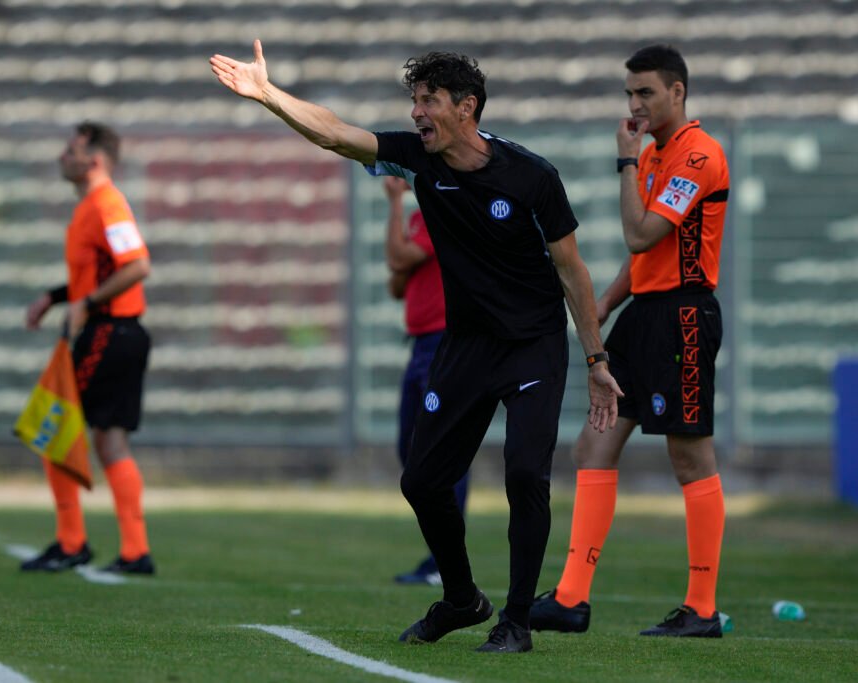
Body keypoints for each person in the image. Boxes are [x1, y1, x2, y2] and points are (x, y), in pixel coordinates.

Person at [211, 42, 621, 653]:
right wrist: (269, 94)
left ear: (467, 108)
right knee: (423, 481)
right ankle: (462, 599)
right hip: (466, 347)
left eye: (428, 101)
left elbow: (573, 273)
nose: (416, 114)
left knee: (525, 475)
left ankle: (514, 621)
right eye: (414, 101)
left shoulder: (533, 177)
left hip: (533, 347)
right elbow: (334, 135)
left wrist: (595, 361)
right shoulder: (418, 162)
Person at [529, 44, 730, 638]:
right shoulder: (656, 157)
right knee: (591, 447)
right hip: (644, 316)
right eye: (630, 94)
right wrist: (600, 308)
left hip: (684, 319)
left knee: (689, 456)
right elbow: (643, 261)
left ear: (677, 92)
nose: (635, 104)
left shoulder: (697, 156)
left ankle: (702, 609)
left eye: (645, 92)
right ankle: (570, 600)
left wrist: (624, 162)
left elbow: (643, 237)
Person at [21, 121, 156, 576]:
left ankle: (71, 542)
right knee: (109, 438)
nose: (64, 156)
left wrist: (86, 304)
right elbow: (98, 271)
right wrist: (56, 297)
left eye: (71, 149)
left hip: (108, 332)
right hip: (118, 331)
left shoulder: (107, 204)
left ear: (95, 160)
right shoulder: (92, 207)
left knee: (53, 425)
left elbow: (137, 265)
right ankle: (136, 552)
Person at [383, 176, 469, 587]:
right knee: (410, 448)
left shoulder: (441, 214)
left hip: (441, 343)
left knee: (443, 450)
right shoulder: (420, 219)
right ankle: (438, 554)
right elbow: (397, 281)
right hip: (421, 344)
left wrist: (394, 204)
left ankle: (443, 561)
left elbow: (398, 261)